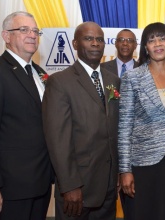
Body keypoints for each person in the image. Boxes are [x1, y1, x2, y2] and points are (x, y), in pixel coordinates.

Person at [42, 22, 120, 219]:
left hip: (109, 187)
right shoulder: (60, 82)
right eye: (89, 38)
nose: (95, 43)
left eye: (100, 40)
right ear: (75, 44)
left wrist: (117, 174)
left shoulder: (113, 81)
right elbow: (58, 139)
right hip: (77, 189)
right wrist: (69, 185)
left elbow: (114, 131)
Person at [0, 11, 53, 219]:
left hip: (40, 184)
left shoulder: (40, 73)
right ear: (6, 36)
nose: (32, 35)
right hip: (9, 189)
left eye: (35, 31)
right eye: (23, 30)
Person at [119, 22, 165, 220]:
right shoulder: (133, 77)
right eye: (151, 40)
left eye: (162, 38)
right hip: (144, 164)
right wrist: (125, 169)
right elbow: (124, 126)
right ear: (145, 47)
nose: (157, 44)